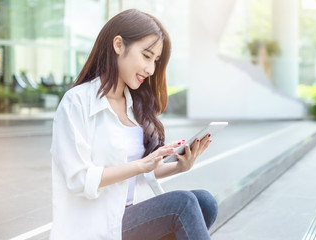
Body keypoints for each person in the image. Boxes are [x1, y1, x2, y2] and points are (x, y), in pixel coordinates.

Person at [50, 9, 218, 240]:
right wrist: (141, 164)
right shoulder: (77, 102)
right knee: (182, 204)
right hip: (94, 225)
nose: (150, 70)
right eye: (147, 56)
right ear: (118, 45)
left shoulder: (134, 106)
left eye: (155, 61)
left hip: (127, 217)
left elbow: (137, 175)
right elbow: (78, 179)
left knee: (205, 202)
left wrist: (179, 166)